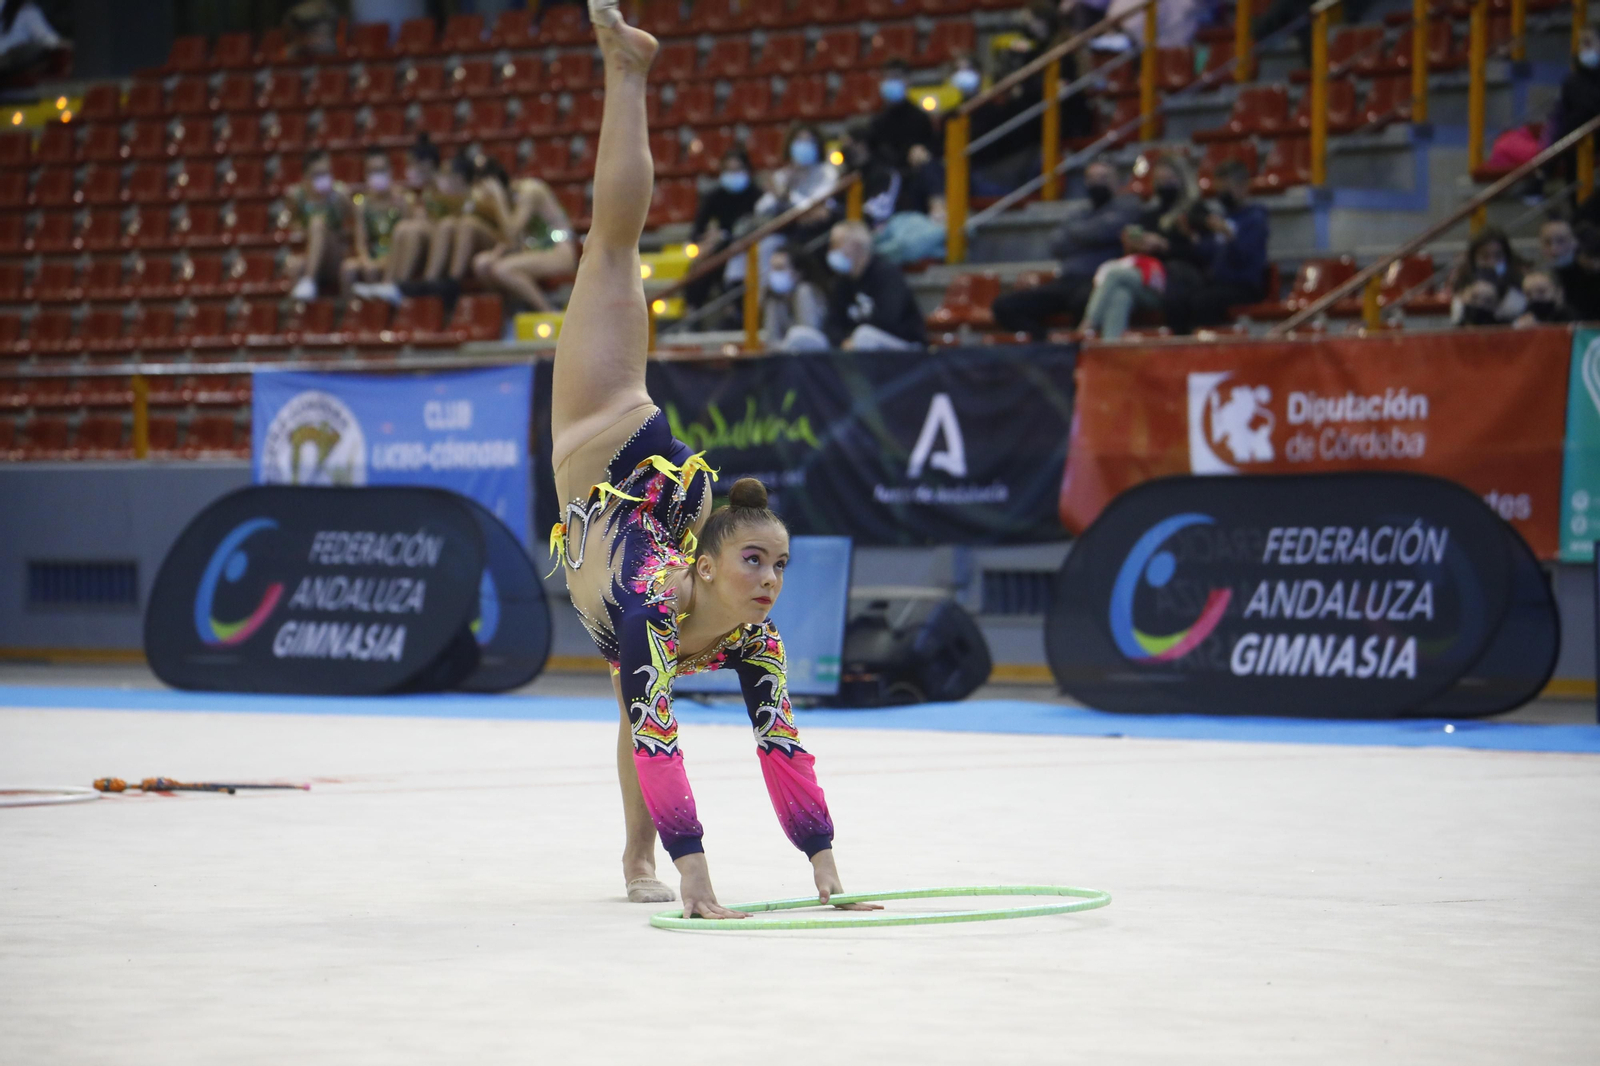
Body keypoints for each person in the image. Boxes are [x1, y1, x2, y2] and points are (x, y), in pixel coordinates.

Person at [547, 0, 875, 920]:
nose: (771, 582)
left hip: (646, 509)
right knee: (610, 251)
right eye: (756, 562)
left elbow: (784, 745)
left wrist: (826, 872)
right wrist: (695, 873)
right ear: (705, 565)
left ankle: (633, 857)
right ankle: (627, 71)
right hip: (607, 438)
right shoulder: (653, 597)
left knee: (633, 694)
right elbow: (663, 737)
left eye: (779, 566)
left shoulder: (753, 636)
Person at [992, 159, 1144, 338]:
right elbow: (1056, 243)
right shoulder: (1079, 213)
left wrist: (1077, 233)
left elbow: (1102, 231)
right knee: (1004, 305)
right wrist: (1094, 233)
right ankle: (1048, 343)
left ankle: (1080, 348)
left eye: (1103, 177)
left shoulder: (1128, 209)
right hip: (1066, 281)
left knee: (1083, 302)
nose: (1097, 183)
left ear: (1117, 181)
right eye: (1092, 178)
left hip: (1098, 282)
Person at [1080, 152, 1206, 338]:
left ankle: (1086, 327)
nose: (1165, 185)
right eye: (1160, 180)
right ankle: (1111, 348)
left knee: (1114, 274)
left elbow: (1203, 253)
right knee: (1121, 295)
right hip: (1149, 278)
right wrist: (1135, 243)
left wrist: (1164, 245)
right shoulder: (1149, 214)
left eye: (1169, 179)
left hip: (1177, 282)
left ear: (1182, 180)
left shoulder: (1197, 212)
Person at [1164, 159, 1270, 334]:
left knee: (1203, 302)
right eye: (1220, 189)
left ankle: (1204, 346)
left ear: (1243, 187)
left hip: (1244, 286)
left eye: (1227, 189)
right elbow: (1209, 253)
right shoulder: (1224, 217)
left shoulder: (1255, 219)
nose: (1222, 194)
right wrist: (1192, 237)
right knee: (1178, 300)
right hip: (1219, 284)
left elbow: (1245, 257)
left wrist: (1228, 235)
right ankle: (1180, 346)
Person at [468, 161, 579, 313]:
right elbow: (512, 240)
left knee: (503, 269)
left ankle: (548, 311)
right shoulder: (508, 197)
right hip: (532, 249)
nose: (480, 195)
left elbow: (511, 231)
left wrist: (498, 199)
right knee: (481, 263)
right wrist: (496, 254)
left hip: (558, 249)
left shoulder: (529, 191)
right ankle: (512, 311)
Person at [815, 219, 927, 349]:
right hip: (854, 344)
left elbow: (889, 321)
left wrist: (851, 338)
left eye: (836, 244)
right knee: (802, 336)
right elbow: (831, 323)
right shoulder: (842, 280)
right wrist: (842, 341)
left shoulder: (886, 273)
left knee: (864, 336)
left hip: (904, 346)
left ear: (856, 246)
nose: (831, 250)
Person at [684, 148, 762, 310]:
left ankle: (736, 312)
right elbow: (697, 230)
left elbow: (758, 226)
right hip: (720, 248)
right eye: (729, 170)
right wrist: (706, 240)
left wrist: (726, 236)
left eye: (737, 170)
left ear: (747, 170)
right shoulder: (715, 196)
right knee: (700, 267)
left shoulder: (757, 195)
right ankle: (692, 310)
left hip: (749, 249)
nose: (733, 175)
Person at [285, 149, 354, 300]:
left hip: (335, 255)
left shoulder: (340, 195)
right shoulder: (297, 197)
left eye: (326, 173)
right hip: (311, 253)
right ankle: (297, 310)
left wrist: (331, 232)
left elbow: (354, 227)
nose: (324, 178)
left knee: (317, 224)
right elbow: (291, 226)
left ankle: (309, 280)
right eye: (317, 174)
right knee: (295, 265)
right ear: (305, 178)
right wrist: (308, 232)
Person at [342, 150, 408, 293]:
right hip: (374, 255)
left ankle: (380, 303)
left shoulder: (401, 201)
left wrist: (385, 260)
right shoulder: (362, 205)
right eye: (373, 171)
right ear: (366, 174)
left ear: (390, 171)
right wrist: (366, 261)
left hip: (396, 256)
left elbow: (407, 241)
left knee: (374, 269)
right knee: (348, 268)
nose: (378, 175)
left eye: (381, 170)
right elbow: (361, 243)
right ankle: (351, 306)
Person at [865, 61, 938, 172]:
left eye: (896, 77)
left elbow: (932, 147)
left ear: (907, 81)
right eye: (888, 78)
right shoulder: (877, 122)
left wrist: (923, 151)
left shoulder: (920, 117)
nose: (892, 82)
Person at [1447, 226, 1526, 325]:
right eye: (1485, 256)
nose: (1491, 263)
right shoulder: (1462, 294)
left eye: (1498, 256)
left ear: (1507, 258)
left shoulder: (1519, 292)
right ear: (1473, 260)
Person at [762, 247, 828, 350]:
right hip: (789, 354)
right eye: (772, 268)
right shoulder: (774, 298)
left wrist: (784, 347)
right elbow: (771, 340)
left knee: (796, 334)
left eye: (780, 268)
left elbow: (808, 336)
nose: (774, 274)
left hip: (818, 353)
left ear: (798, 273)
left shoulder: (805, 291)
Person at [1542, 216, 1600, 320]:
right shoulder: (1542, 276)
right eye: (1547, 242)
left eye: (1561, 241)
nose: (1554, 249)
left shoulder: (1591, 276)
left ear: (1574, 242)